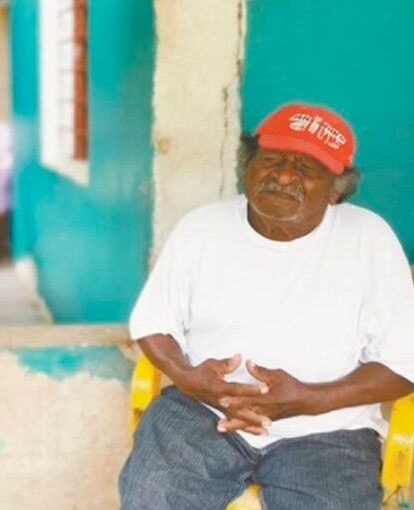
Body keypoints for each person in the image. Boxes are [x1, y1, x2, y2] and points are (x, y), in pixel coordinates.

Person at [119, 103, 414, 509]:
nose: (284, 176)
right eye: (272, 160)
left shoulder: (369, 239)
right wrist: (187, 377)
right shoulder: (201, 228)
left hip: (327, 431)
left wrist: (309, 398)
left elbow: (403, 366)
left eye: (308, 169)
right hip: (202, 413)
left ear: (336, 189)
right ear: (247, 167)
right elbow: (153, 323)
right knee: (152, 495)